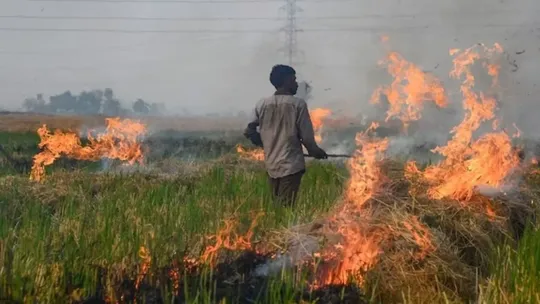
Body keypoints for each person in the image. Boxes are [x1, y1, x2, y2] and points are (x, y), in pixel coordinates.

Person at [243, 64, 328, 206]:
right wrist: (317, 152)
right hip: (291, 166)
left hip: (272, 165)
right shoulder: (298, 104)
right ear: (286, 81)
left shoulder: (262, 104)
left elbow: (249, 130)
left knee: (277, 205)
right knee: (286, 208)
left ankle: (274, 227)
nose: (296, 84)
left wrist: (263, 142)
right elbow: (307, 138)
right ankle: (282, 229)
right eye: (293, 80)